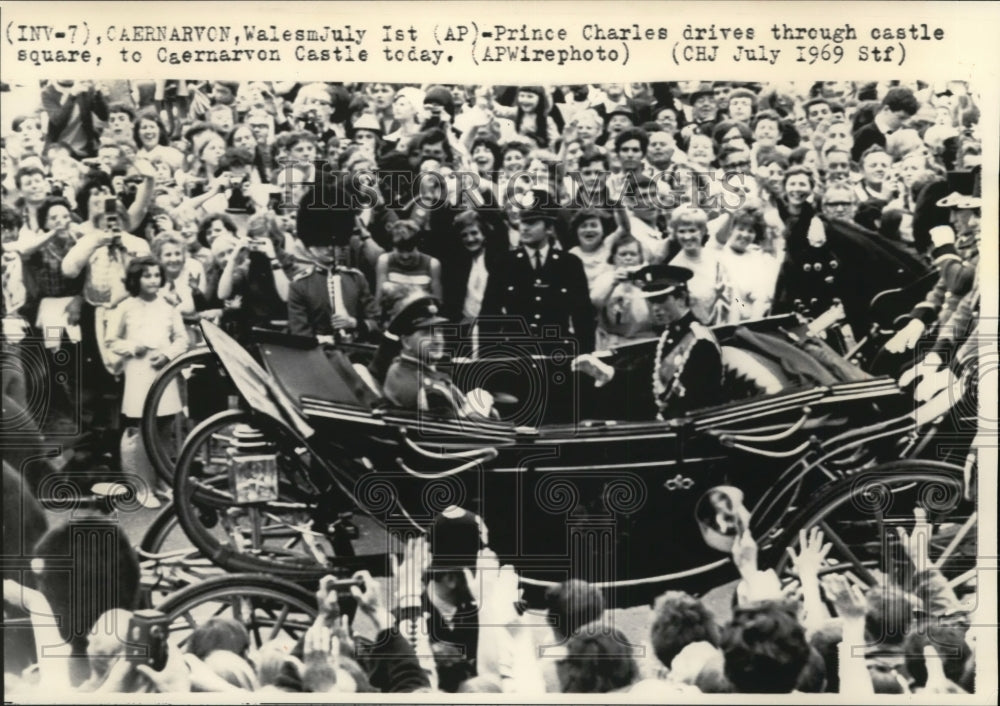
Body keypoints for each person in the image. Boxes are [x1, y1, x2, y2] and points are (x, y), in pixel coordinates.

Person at [573, 264, 723, 419]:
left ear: (682, 297)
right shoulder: (669, 335)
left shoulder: (699, 340)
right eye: (651, 301)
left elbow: (694, 398)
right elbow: (647, 375)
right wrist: (608, 373)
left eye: (661, 299)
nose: (655, 307)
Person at [480, 193, 595, 353]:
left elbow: (583, 317)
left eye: (532, 222)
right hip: (516, 355)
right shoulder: (504, 264)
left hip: (558, 353)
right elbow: (489, 316)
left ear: (549, 228)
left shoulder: (569, 264)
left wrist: (586, 356)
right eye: (522, 222)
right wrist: (488, 358)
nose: (525, 227)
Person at [382, 297, 494, 420]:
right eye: (427, 333)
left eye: (439, 331)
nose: (438, 340)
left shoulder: (409, 370)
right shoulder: (423, 389)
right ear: (406, 342)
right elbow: (457, 435)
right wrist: (477, 410)